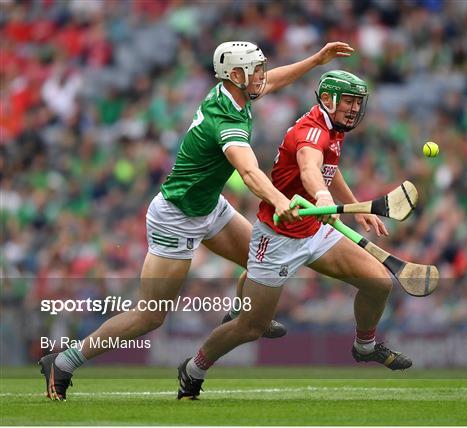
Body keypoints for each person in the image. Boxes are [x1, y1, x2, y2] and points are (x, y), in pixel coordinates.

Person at [38, 41, 355, 401]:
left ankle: (240, 316)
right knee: (149, 317)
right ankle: (63, 362)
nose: (263, 77)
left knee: (257, 259)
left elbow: (274, 81)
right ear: (236, 75)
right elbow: (249, 171)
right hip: (176, 219)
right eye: (256, 71)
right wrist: (280, 200)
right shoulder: (226, 119)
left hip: (209, 207)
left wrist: (315, 60)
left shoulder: (235, 93)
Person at [178, 70, 413, 400]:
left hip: (315, 230)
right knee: (250, 327)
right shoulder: (311, 133)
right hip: (277, 238)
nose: (354, 109)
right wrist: (324, 197)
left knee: (379, 282)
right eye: (348, 101)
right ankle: (194, 368)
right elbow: (310, 168)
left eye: (358, 103)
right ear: (328, 99)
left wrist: (354, 205)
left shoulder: (333, 127)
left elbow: (329, 168)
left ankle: (365, 346)